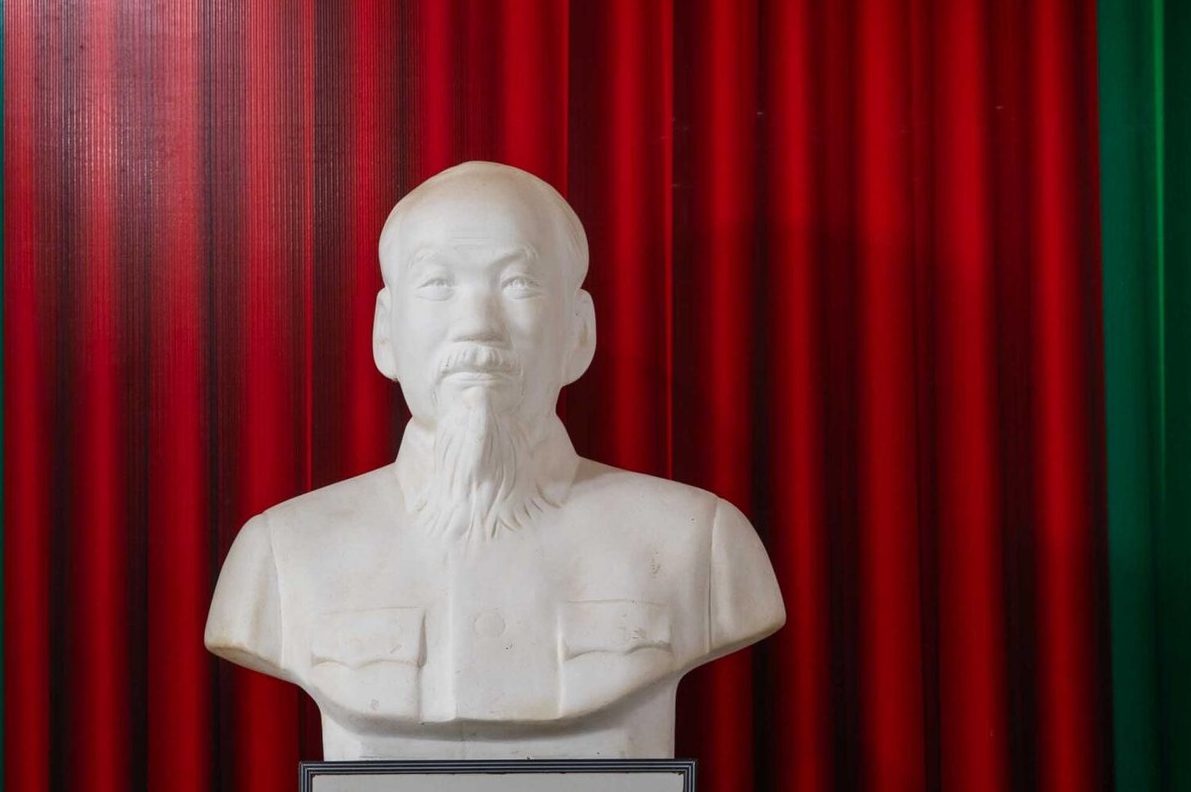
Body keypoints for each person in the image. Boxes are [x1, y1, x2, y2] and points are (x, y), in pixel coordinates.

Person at [206, 160, 784, 758]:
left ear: (579, 334)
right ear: (385, 333)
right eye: (437, 284)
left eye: (519, 284)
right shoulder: (282, 554)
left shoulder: (699, 543)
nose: (477, 326)